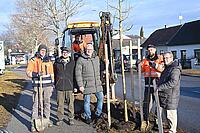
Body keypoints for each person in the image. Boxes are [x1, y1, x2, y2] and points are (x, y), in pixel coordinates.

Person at [26, 44, 54, 132]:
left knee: (47, 103)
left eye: (44, 51)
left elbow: (52, 73)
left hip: (48, 86)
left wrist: (52, 84)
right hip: (37, 86)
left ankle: (46, 119)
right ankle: (33, 123)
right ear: (39, 51)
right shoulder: (33, 60)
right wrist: (36, 74)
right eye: (41, 51)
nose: (43, 52)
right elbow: (28, 72)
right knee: (36, 104)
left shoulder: (48, 61)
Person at [75, 43, 104, 124]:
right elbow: (78, 73)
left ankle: (98, 113)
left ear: (93, 50)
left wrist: (106, 63)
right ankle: (88, 116)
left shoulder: (97, 58)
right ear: (85, 49)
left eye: (90, 49)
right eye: (88, 49)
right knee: (86, 102)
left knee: (101, 98)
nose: (89, 51)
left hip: (97, 83)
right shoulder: (81, 59)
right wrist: (80, 85)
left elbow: (102, 68)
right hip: (86, 84)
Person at [140, 44, 164, 130]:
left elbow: (162, 69)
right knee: (146, 103)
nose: (150, 51)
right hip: (148, 84)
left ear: (155, 50)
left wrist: (154, 65)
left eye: (151, 50)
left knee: (158, 104)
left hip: (157, 84)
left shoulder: (160, 58)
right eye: (149, 50)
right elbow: (141, 70)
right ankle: (145, 119)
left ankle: (157, 120)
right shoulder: (145, 60)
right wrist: (138, 65)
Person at [157, 51, 182, 133]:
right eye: (164, 58)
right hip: (166, 95)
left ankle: (172, 130)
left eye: (167, 58)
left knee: (170, 114)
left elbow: (173, 82)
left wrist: (160, 87)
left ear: (171, 58)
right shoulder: (168, 67)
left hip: (171, 95)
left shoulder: (175, 69)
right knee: (167, 114)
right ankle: (170, 128)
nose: (165, 60)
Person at [54, 47, 75, 126]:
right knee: (60, 104)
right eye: (63, 52)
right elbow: (54, 73)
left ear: (68, 53)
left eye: (66, 52)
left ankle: (71, 118)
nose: (65, 53)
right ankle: (59, 119)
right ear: (62, 53)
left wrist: (75, 86)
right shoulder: (57, 62)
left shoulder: (72, 62)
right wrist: (55, 83)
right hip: (59, 86)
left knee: (70, 104)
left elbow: (75, 75)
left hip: (69, 86)